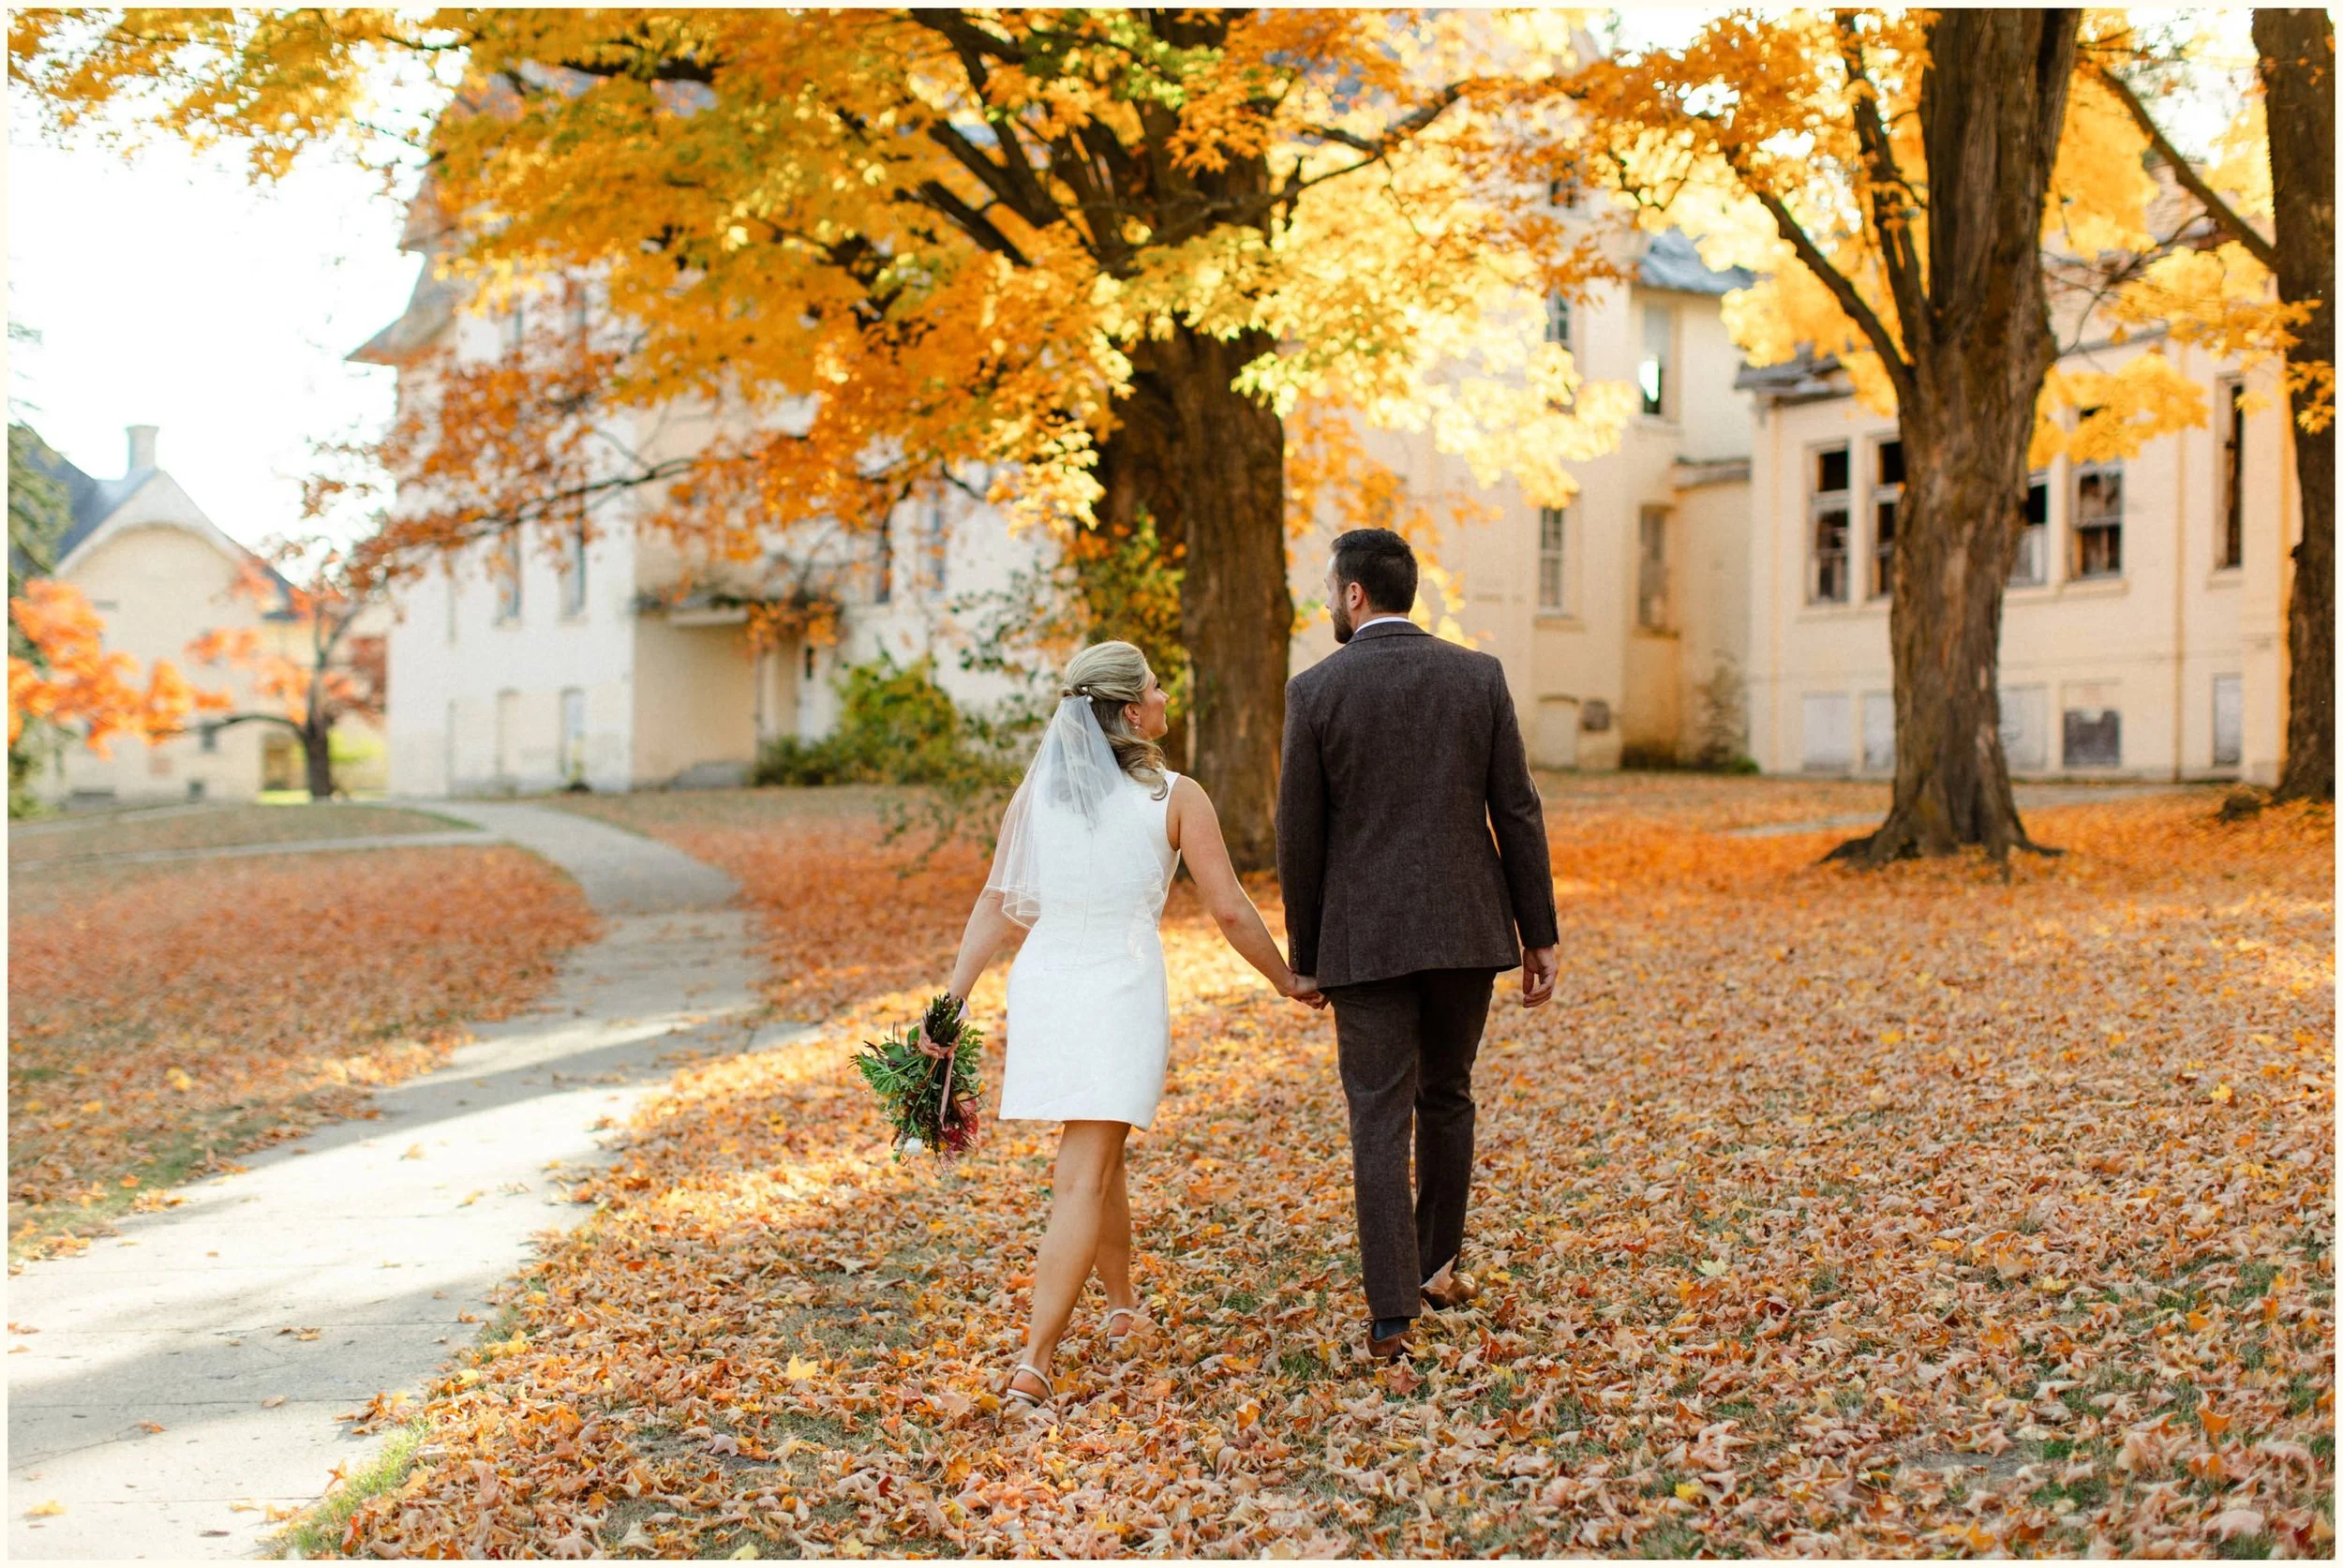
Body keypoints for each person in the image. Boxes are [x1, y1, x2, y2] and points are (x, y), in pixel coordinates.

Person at [935, 640, 1323, 1419]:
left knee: (1098, 1155)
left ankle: (1120, 1308)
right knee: (1082, 1173)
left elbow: (994, 903)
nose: (1165, 695)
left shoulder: (1037, 796)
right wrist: (1287, 978)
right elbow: (1228, 909)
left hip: (1046, 989)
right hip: (1116, 993)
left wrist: (953, 1000)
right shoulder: (1177, 796)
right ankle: (1033, 1366)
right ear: (1128, 713)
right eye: (1153, 687)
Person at [1276, 527, 1560, 1361]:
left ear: (1355, 593)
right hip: (1466, 927)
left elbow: (1299, 837)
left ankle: (1392, 1315)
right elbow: (1517, 809)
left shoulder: (1315, 691)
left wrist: (1306, 954)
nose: (1330, 603)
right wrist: (1538, 931)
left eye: (1332, 590)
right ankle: (1435, 1267)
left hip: (1363, 938)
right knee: (1448, 1094)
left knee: (1378, 1115)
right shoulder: (1478, 676)